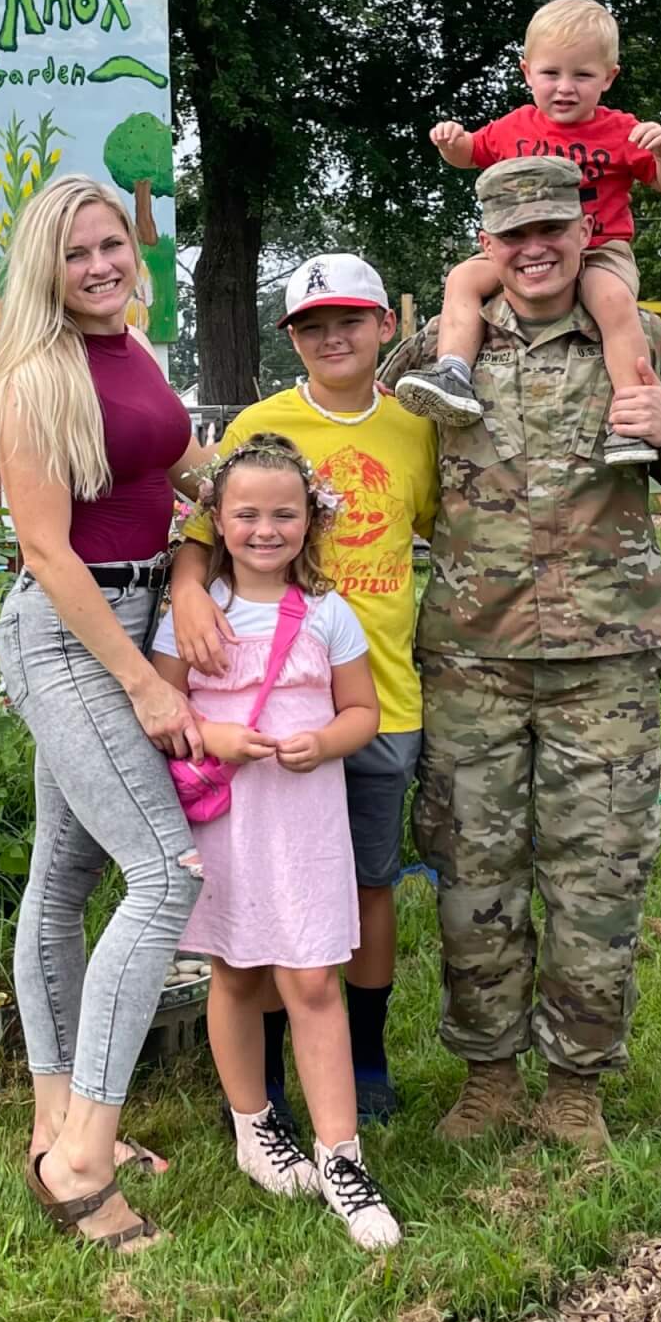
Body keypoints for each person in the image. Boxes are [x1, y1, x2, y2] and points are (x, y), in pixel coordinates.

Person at [382, 155, 661, 1155]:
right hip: (472, 656)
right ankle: (489, 1074)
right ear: (485, 243)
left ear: (584, 230)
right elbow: (368, 456)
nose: (534, 249)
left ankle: (576, 1083)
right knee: (472, 871)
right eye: (512, 234)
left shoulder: (640, 336)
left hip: (606, 656)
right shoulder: (439, 349)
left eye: (553, 229)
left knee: (599, 872)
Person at [0, 174, 214, 1254]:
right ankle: (79, 1160)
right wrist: (143, 677)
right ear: (46, 267)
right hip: (73, 634)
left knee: (64, 876)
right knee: (165, 871)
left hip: (141, 603)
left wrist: (244, 510)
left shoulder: (139, 349)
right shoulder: (36, 378)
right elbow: (45, 553)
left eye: (112, 244)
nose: (102, 265)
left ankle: (55, 1122)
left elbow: (183, 471)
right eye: (77, 253)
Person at [169, 254, 439, 1122]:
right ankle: (271, 1075)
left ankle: (364, 1057)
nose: (334, 338)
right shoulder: (261, 423)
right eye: (313, 325)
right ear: (293, 338)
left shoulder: (415, 429)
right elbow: (206, 530)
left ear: (384, 327)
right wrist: (182, 588)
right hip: (259, 711)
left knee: (365, 884)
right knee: (267, 896)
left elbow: (451, 532)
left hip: (377, 698)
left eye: (350, 321)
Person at [150, 435, 400, 1250]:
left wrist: (327, 743)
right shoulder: (192, 614)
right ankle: (254, 1128)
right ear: (216, 521)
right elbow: (158, 710)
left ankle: (341, 1156)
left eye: (284, 514)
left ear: (310, 520)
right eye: (247, 514)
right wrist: (208, 733)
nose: (266, 529)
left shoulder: (330, 614)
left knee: (313, 978)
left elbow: (362, 712)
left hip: (306, 824)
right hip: (230, 823)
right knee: (236, 968)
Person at [394, 0, 661, 468]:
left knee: (611, 299)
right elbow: (472, 152)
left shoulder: (621, 131)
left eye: (583, 76)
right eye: (552, 74)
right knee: (461, 281)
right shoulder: (515, 126)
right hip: (524, 249)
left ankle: (630, 414)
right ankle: (452, 371)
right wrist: (451, 142)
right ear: (527, 71)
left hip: (600, 248)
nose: (566, 88)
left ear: (609, 77)